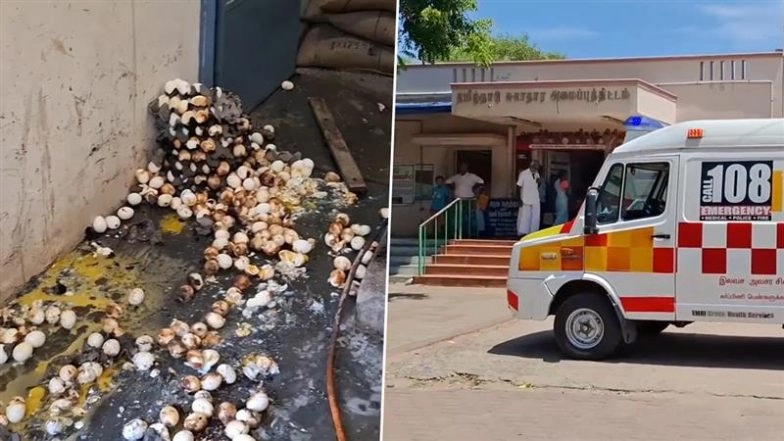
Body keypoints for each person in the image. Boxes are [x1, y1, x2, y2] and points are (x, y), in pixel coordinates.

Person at [516, 160, 542, 236]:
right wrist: (519, 199)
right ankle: (522, 233)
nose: (536, 169)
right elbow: (518, 186)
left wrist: (539, 182)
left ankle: (533, 233)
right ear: (531, 166)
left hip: (535, 198)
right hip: (525, 198)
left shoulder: (537, 174)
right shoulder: (523, 174)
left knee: (535, 217)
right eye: (535, 167)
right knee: (524, 217)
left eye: (537, 168)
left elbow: (537, 185)